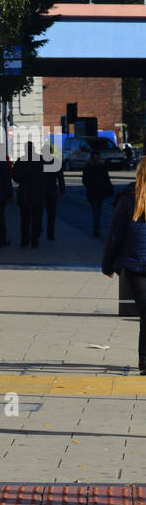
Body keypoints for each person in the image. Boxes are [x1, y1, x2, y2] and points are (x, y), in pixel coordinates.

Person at [102, 158, 146, 375]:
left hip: (134, 265)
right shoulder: (129, 200)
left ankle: (145, 364)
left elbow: (115, 235)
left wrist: (107, 264)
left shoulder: (127, 200)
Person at [12, 142, 45, 249]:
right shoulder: (41, 160)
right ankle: (35, 241)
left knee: (25, 219)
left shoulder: (21, 161)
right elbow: (47, 176)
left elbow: (15, 177)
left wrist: (24, 179)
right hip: (38, 193)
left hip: (25, 193)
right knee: (36, 218)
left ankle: (24, 240)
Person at [82, 149, 114, 237]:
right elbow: (85, 180)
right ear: (92, 158)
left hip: (100, 192)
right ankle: (97, 228)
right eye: (95, 157)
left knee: (98, 211)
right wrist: (91, 185)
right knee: (96, 210)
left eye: (97, 157)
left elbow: (107, 179)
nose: (96, 159)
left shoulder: (101, 167)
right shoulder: (88, 167)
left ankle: (97, 228)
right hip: (93, 193)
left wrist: (108, 187)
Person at [43, 158, 66, 241]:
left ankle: (38, 230)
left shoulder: (40, 162)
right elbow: (60, 178)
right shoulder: (56, 163)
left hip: (42, 191)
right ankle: (50, 234)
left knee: (38, 213)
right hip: (52, 191)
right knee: (51, 214)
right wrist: (62, 190)